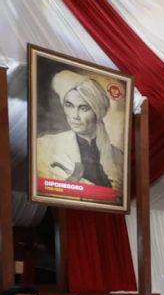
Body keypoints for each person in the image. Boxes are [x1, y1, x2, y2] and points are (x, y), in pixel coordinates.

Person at [36, 70, 124, 199]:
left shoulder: (118, 157)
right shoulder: (44, 145)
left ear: (98, 112)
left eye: (83, 108)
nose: (74, 116)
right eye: (69, 105)